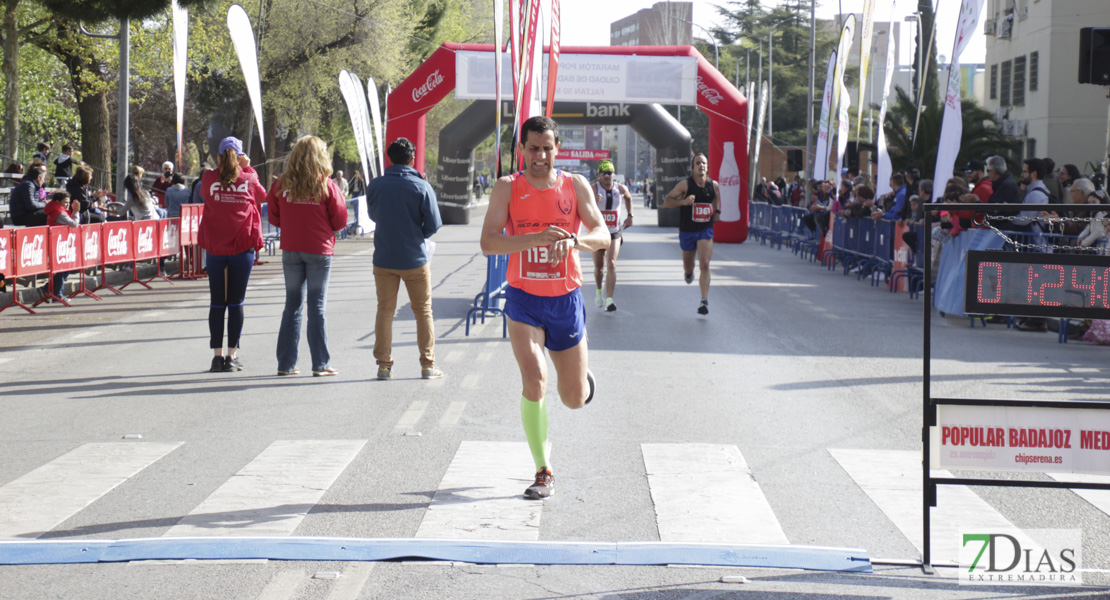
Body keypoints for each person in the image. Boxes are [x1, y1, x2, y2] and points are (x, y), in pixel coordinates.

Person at [479, 116, 608, 500]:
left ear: (557, 149)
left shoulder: (575, 185)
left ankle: (583, 380)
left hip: (565, 300)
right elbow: (488, 242)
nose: (540, 155)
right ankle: (543, 469)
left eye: (547, 147)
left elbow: (602, 234)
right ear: (522, 150)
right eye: (533, 148)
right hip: (524, 299)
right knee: (534, 379)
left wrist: (574, 242)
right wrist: (532, 238)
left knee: (573, 399)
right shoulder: (507, 188)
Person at [267, 136, 348, 377]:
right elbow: (340, 219)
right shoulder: (326, 184)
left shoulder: (281, 184)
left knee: (292, 305)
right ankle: (320, 363)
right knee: (317, 306)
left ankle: (286, 364)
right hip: (319, 250)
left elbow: (273, 217)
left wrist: (292, 224)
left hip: (291, 248)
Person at [367, 138, 444, 381]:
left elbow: (372, 214)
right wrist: (416, 234)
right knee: (423, 311)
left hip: (384, 257)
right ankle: (427, 364)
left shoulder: (376, 185)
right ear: (412, 159)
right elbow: (434, 223)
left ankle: (383, 365)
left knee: (385, 311)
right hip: (414, 258)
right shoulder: (421, 186)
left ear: (389, 158)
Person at [198, 136, 265, 372]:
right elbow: (262, 196)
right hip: (241, 246)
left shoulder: (208, 178)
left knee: (217, 302)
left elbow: (205, 195)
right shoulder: (248, 177)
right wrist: (247, 168)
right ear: (239, 157)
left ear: (218, 156)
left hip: (216, 248)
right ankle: (231, 355)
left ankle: (216, 357)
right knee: (236, 302)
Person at [663, 153, 721, 315]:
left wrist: (717, 211)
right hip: (687, 230)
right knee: (689, 266)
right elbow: (667, 201)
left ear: (707, 167)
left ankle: (703, 300)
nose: (701, 165)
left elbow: (716, 198)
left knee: (705, 264)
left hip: (705, 229)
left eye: (704, 163)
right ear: (692, 167)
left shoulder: (713, 185)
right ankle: (688, 273)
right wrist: (683, 202)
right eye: (698, 163)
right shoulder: (684, 185)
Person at [591, 159, 633, 312]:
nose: (607, 176)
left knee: (612, 263)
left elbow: (628, 197)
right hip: (598, 232)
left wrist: (630, 215)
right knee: (599, 268)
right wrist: (592, 201)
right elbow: (582, 205)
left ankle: (609, 299)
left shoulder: (620, 188)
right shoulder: (594, 188)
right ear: (598, 175)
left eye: (610, 173)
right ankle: (599, 290)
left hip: (615, 231)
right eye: (604, 173)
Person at [43, 190, 81, 299]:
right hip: (58, 244)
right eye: (65, 202)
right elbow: (74, 224)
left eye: (68, 202)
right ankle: (57, 293)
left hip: (60, 243)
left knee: (65, 269)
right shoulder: (59, 212)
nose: (67, 205)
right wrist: (76, 212)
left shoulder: (58, 210)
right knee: (62, 269)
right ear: (58, 201)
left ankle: (47, 288)